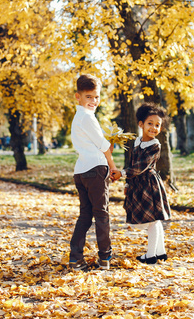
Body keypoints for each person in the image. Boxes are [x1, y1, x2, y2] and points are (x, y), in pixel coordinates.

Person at [111, 103, 171, 265]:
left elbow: (141, 166)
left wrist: (122, 173)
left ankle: (151, 255)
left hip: (149, 185)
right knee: (153, 221)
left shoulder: (155, 145)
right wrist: (127, 184)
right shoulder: (137, 142)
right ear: (141, 124)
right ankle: (160, 252)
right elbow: (132, 161)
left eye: (157, 125)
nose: (153, 128)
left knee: (152, 220)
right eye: (150, 123)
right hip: (137, 185)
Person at [69, 74, 117, 271]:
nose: (93, 101)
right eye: (88, 97)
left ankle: (76, 258)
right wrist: (112, 166)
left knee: (85, 216)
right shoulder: (87, 117)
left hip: (81, 171)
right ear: (77, 97)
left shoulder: (78, 117)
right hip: (95, 170)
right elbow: (103, 145)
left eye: (96, 97)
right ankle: (105, 258)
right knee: (102, 214)